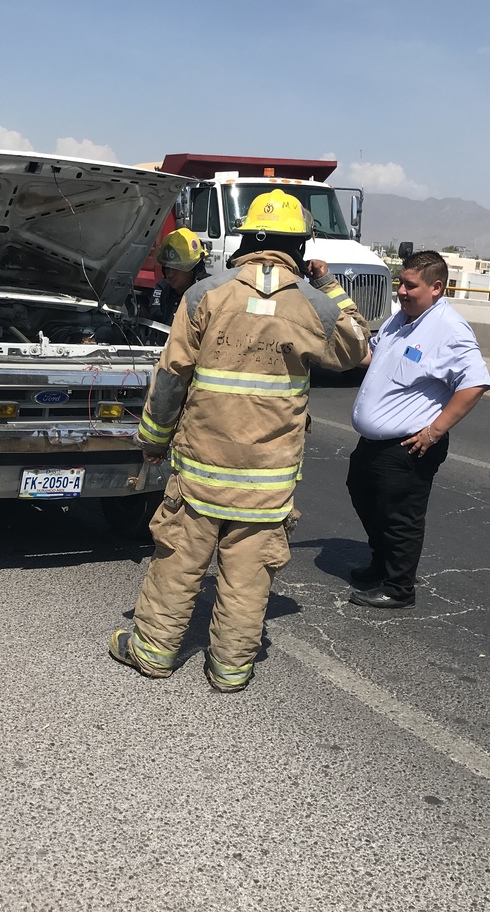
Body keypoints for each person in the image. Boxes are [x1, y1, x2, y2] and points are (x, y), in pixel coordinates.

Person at [109, 190, 369, 693]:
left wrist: (153, 439)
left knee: (179, 563)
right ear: (299, 245)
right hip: (267, 480)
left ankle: (153, 654)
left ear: (248, 238)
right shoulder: (313, 305)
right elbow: (358, 347)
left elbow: (171, 377)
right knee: (248, 579)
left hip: (202, 471)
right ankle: (230, 672)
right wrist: (329, 284)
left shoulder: (204, 294)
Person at [344, 249, 490, 609]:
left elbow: (474, 383)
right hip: (374, 442)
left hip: (409, 444)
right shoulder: (401, 319)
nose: (402, 292)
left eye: (410, 286)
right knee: (363, 495)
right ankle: (380, 563)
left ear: (436, 287)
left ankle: (398, 587)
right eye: (400, 284)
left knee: (400, 515)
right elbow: (371, 355)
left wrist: (434, 431)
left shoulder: (449, 329)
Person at [148, 228, 208, 325]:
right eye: (167, 268)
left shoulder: (208, 293)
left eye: (176, 268)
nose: (170, 274)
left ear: (193, 269)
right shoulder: (165, 289)